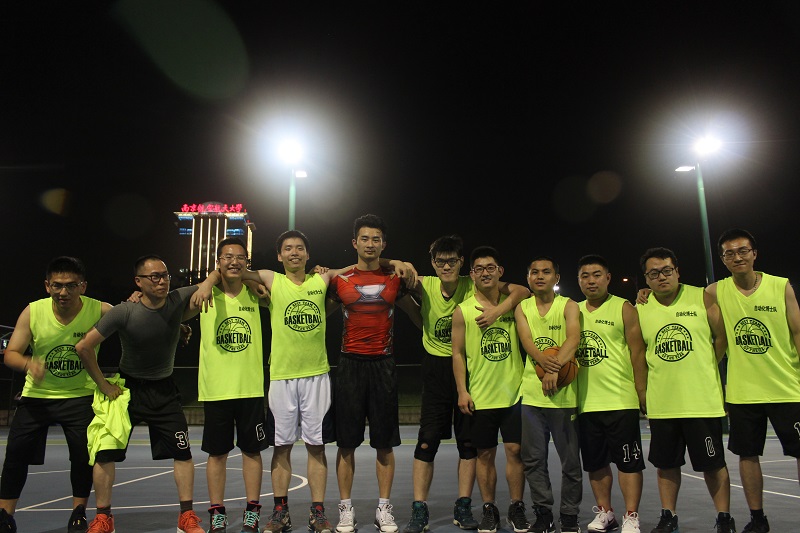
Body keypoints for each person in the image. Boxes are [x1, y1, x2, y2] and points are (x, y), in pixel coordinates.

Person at [75, 254, 215, 533]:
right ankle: (103, 518)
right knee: (105, 453)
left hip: (164, 390)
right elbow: (83, 347)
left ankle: (186, 517)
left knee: (183, 453)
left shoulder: (176, 299)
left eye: (165, 275)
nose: (162, 281)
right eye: (154, 277)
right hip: (127, 391)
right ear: (138, 282)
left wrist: (207, 283)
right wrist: (103, 384)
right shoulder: (124, 311)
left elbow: (220, 272)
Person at [402, 235, 531, 533]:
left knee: (469, 445)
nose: (446, 266)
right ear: (433, 263)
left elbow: (521, 290)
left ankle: (464, 505)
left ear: (462, 264)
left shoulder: (472, 283)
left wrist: (499, 309)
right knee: (427, 441)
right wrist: (398, 263)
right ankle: (419, 508)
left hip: (469, 369)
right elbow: (395, 271)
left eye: (452, 261)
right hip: (436, 368)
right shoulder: (426, 284)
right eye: (440, 261)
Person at [0, 257, 112, 533]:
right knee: (15, 454)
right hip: (37, 396)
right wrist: (28, 363)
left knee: (81, 456)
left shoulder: (100, 310)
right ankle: (5, 515)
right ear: (47, 285)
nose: (64, 292)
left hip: (79, 395)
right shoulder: (33, 311)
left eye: (71, 285)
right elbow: (11, 353)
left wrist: (172, 325)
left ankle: (78, 511)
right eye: (57, 285)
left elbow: (135, 317)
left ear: (82, 286)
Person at [327, 214, 420, 533]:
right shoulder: (339, 280)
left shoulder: (396, 278)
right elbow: (314, 314)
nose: (370, 244)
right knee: (346, 444)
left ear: (384, 244)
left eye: (376, 239)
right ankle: (345, 509)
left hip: (383, 365)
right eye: (364, 238)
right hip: (349, 365)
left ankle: (384, 509)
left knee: (384, 444)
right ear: (355, 243)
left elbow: (419, 317)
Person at [636, 247, 735, 533]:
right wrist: (642, 391)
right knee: (666, 465)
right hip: (663, 402)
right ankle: (669, 516)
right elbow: (639, 353)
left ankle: (724, 518)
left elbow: (721, 337)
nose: (661, 277)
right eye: (654, 273)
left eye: (667, 270)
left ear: (677, 271)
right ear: (646, 278)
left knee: (713, 464)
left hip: (701, 401)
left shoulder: (702, 297)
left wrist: (705, 363)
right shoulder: (641, 307)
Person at [709, 228, 800, 533]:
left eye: (743, 251)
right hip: (743, 391)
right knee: (748, 456)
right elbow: (676, 290)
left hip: (787, 388)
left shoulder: (780, 286)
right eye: (729, 253)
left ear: (754, 254)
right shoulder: (715, 291)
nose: (737, 257)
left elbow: (798, 332)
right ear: (723, 259)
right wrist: (645, 292)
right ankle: (757, 518)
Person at [189, 237, 270, 533]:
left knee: (252, 452)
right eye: (227, 257)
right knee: (217, 454)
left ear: (247, 262)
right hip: (216, 390)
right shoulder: (203, 295)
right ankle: (217, 512)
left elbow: (287, 286)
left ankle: (252, 511)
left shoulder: (256, 293)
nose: (234, 261)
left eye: (240, 257)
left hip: (250, 388)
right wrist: (209, 281)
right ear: (218, 261)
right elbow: (166, 307)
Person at [452, 246, 525, 533]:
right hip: (481, 396)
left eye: (490, 267)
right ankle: (489, 509)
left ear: (500, 271)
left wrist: (497, 311)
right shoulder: (463, 311)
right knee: (484, 455)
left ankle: (516, 507)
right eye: (479, 269)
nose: (485, 273)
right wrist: (462, 390)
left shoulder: (513, 303)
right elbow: (457, 354)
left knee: (515, 451)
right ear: (471, 274)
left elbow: (524, 290)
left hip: (514, 392)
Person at [575, 255, 647, 533]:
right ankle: (605, 513)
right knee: (596, 463)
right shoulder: (573, 311)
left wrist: (641, 392)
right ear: (579, 280)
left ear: (607, 278)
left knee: (629, 462)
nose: (591, 281)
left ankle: (631, 515)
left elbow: (637, 353)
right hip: (585, 401)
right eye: (585, 276)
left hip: (620, 399)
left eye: (596, 275)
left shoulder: (624, 308)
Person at [515, 256, 582, 533]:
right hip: (532, 396)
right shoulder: (522, 307)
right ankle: (543, 515)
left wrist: (554, 370)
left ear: (556, 278)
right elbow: (527, 341)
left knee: (570, 462)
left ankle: (569, 516)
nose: (540, 276)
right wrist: (545, 365)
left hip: (564, 396)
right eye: (534, 272)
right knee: (533, 460)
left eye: (546, 272)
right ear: (528, 278)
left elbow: (573, 338)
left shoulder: (569, 305)